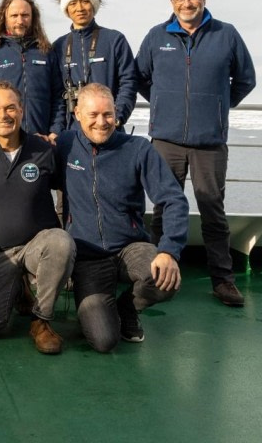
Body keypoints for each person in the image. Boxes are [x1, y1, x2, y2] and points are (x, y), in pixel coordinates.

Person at [136, 0, 257, 307]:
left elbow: (246, 79)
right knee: (162, 210)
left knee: (212, 211)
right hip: (166, 139)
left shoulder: (226, 34)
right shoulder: (156, 36)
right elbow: (140, 78)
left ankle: (223, 280)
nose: (186, 4)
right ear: (171, 2)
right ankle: (156, 278)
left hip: (210, 141)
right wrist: (164, 104)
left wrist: (218, 106)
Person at [57, 83, 188, 352]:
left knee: (166, 281)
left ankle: (128, 306)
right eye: (93, 115)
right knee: (104, 340)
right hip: (88, 255)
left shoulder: (138, 149)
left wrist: (169, 250)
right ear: (77, 114)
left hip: (131, 246)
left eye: (108, 114)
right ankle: (103, 310)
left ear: (116, 114)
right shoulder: (64, 145)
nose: (101, 122)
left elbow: (174, 199)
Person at [0, 81, 75, 354]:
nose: (2, 115)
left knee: (61, 242)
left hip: (37, 246)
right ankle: (19, 288)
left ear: (21, 110)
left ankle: (41, 321)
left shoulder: (44, 150)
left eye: (10, 108)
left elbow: (73, 187)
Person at [0, 0, 64, 140]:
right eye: (14, 15)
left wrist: (55, 130)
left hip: (41, 138)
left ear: (33, 17)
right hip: (2, 140)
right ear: (4, 17)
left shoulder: (46, 52)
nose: (20, 21)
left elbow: (58, 96)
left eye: (25, 15)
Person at [52, 0, 137, 129]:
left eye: (85, 1)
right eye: (73, 3)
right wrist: (58, 130)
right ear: (66, 9)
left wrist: (117, 117)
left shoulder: (114, 40)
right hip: (73, 131)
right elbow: (56, 93)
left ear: (94, 5)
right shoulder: (59, 46)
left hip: (109, 127)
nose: (79, 8)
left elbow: (129, 82)